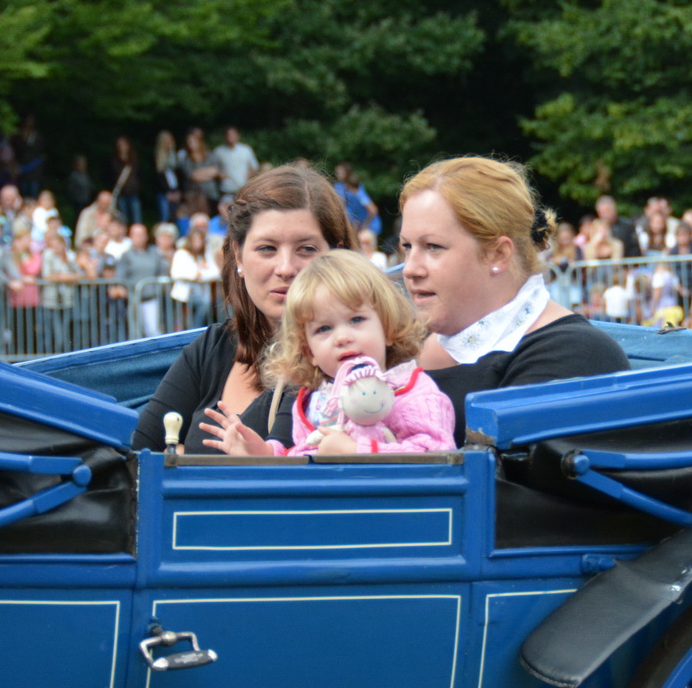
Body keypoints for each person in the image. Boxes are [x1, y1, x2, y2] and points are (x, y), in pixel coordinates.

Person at [391, 156, 629, 445]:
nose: (410, 268)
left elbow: (498, 485)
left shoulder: (573, 354)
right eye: (407, 246)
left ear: (498, 254)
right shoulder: (402, 340)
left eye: (432, 247)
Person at [134, 165, 353, 452]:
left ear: (335, 256)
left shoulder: (351, 362)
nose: (286, 268)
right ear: (238, 255)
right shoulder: (212, 349)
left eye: (306, 249)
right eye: (267, 248)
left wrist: (183, 461)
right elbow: (139, 454)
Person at [202, 250, 455, 457]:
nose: (342, 337)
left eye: (356, 319)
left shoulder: (411, 391)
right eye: (324, 328)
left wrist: (358, 452)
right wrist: (265, 455)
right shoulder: (316, 400)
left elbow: (437, 455)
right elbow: (304, 454)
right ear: (308, 351)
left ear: (387, 328)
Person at [210, 126, 259, 196]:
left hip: (244, 188)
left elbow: (254, 166)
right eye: (228, 135)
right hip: (226, 189)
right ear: (224, 136)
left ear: (238, 136)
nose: (231, 136)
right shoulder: (218, 151)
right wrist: (219, 174)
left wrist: (249, 175)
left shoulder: (246, 150)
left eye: (233, 134)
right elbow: (213, 167)